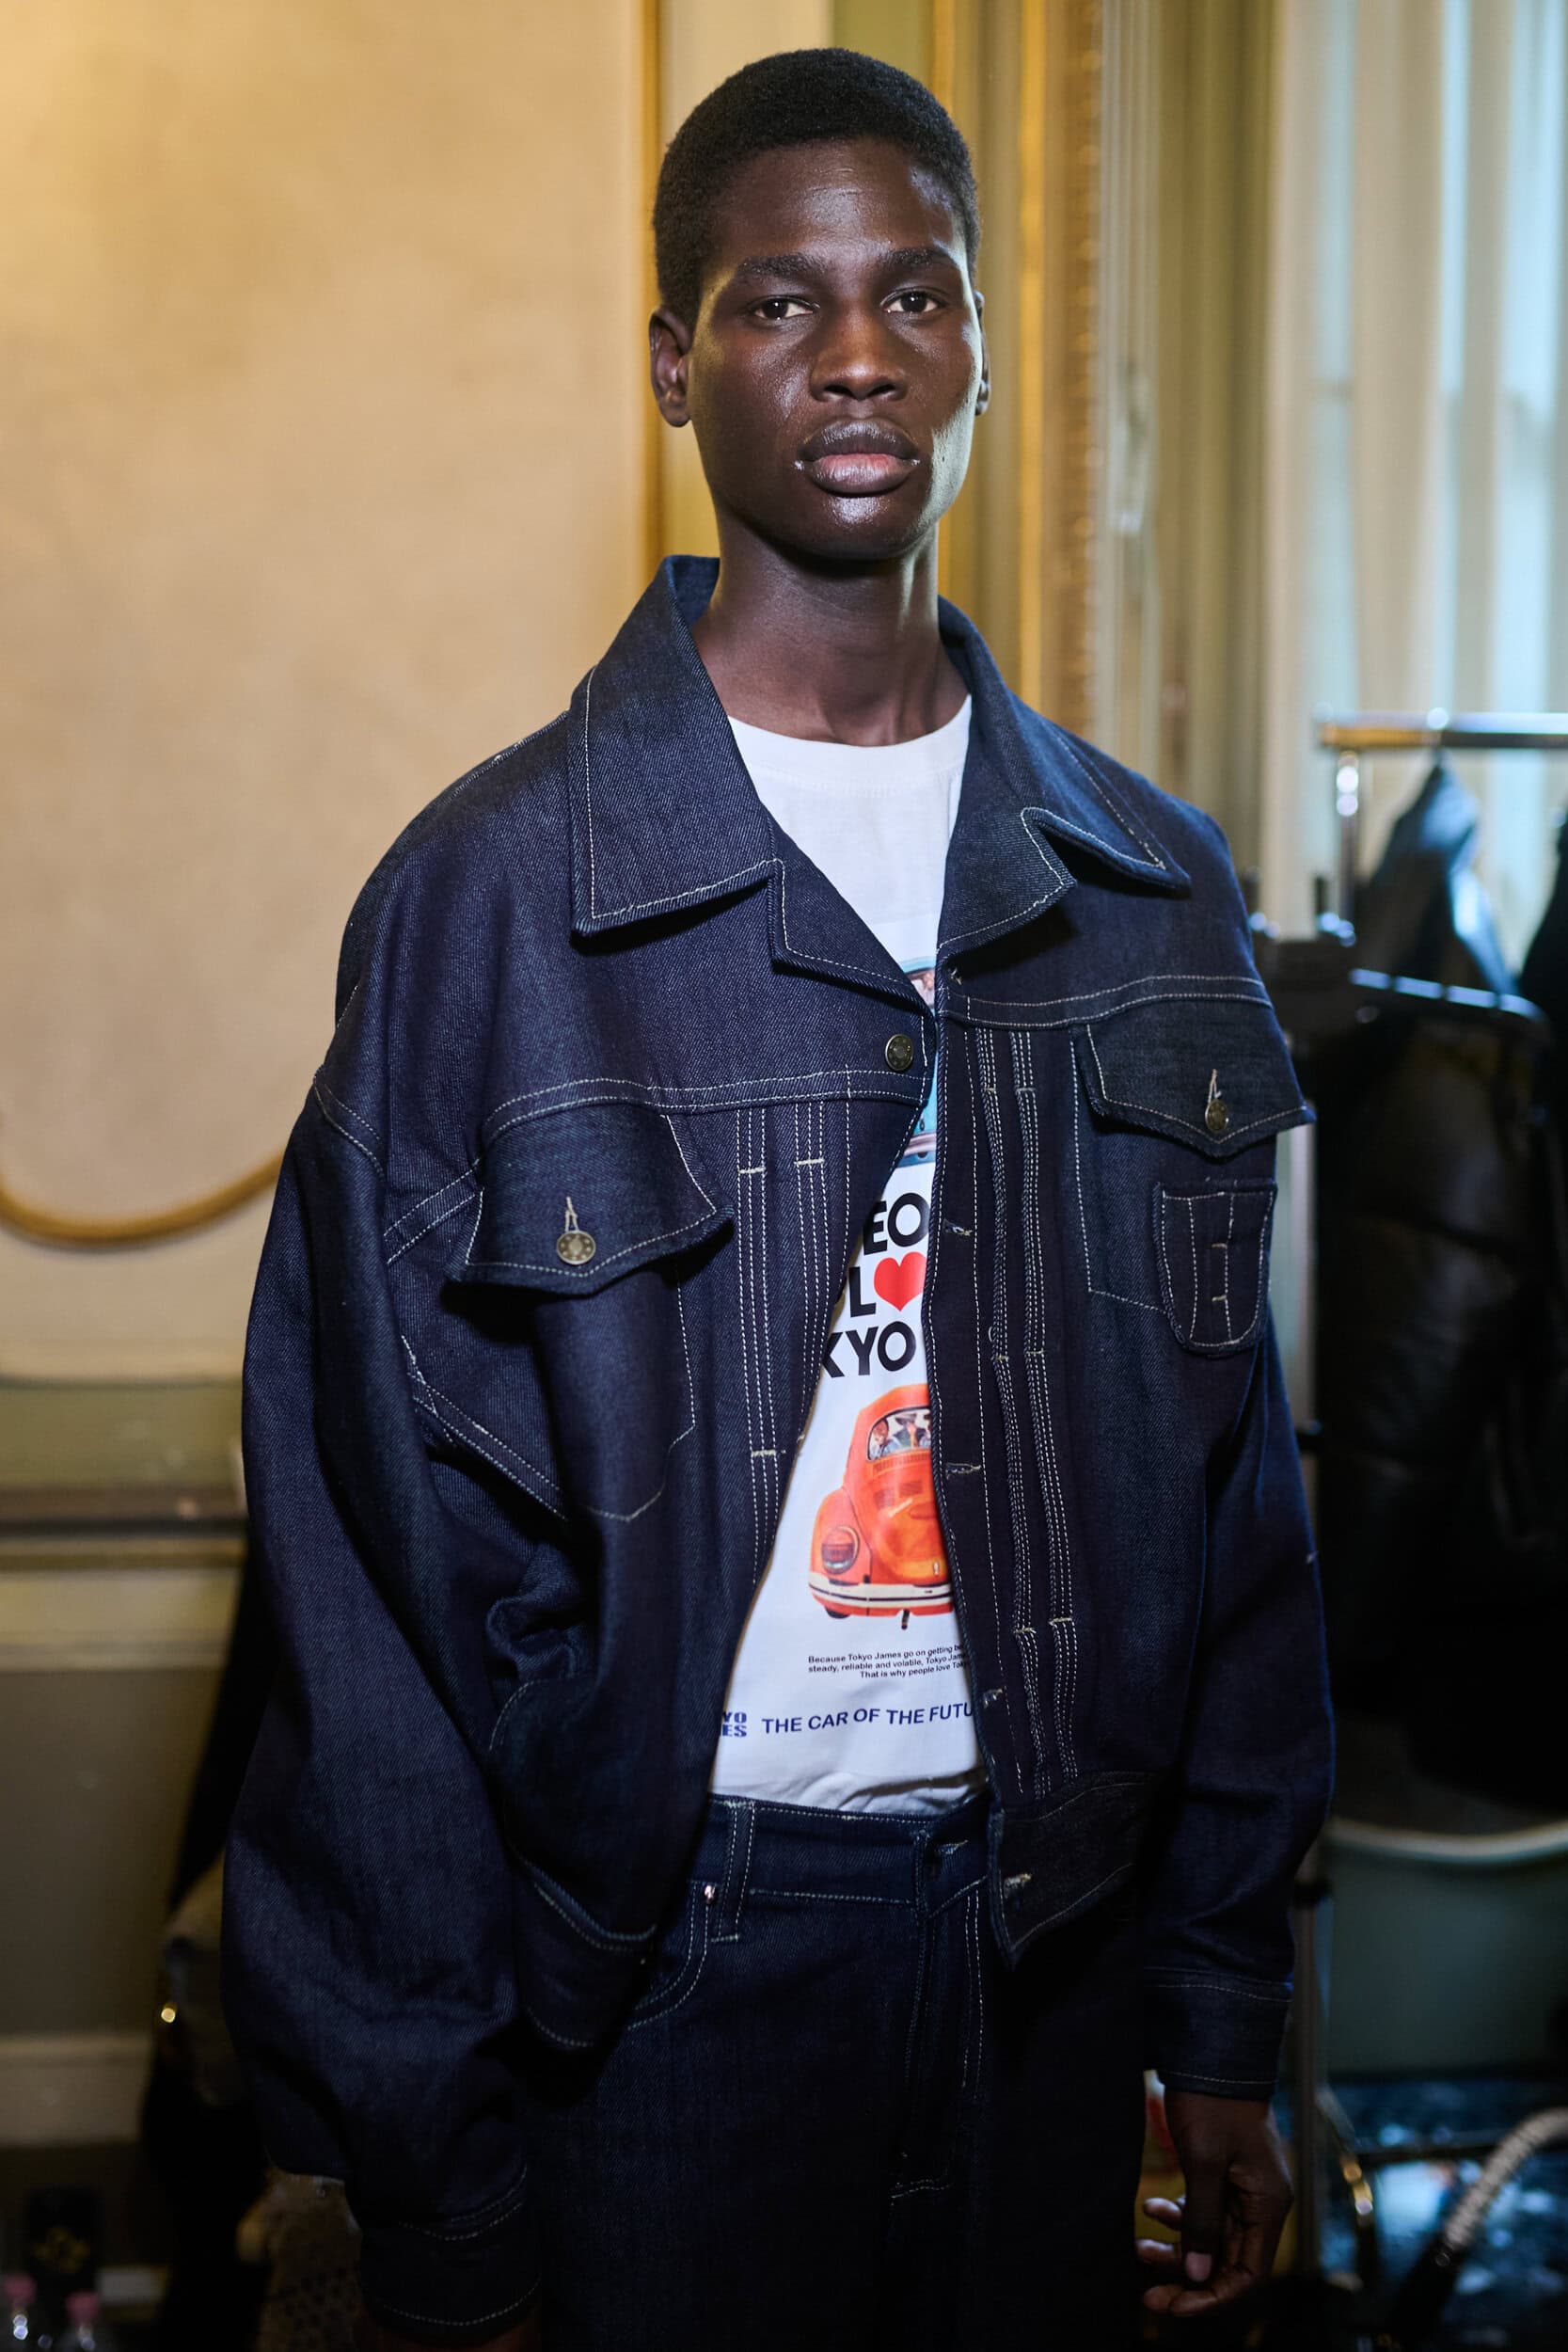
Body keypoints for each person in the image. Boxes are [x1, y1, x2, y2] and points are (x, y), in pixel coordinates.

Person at [224, 48, 1333, 2352]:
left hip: (1056, 1964)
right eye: (775, 302)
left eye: (915, 293)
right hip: (663, 1994)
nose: (854, 355)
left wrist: (1224, 2008)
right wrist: (431, 2187)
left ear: (982, 345)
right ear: (674, 363)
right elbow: (369, 1599)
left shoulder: (1153, 888)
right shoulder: (492, 902)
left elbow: (1239, 1512)